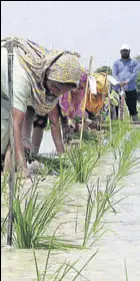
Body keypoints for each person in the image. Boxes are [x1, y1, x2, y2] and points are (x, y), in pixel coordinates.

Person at [1, 37, 81, 177]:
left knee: (13, 143)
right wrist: (24, 170)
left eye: (62, 92)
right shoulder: (23, 78)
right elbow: (16, 125)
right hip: (6, 78)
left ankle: (8, 175)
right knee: (4, 132)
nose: (57, 93)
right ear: (47, 74)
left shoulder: (45, 85)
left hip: (7, 89)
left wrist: (62, 158)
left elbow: (37, 110)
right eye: (56, 87)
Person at [112, 43, 140, 121]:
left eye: (126, 51)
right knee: (116, 107)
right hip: (118, 89)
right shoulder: (116, 63)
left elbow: (134, 74)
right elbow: (114, 74)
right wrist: (119, 82)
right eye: (123, 51)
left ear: (129, 51)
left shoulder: (134, 62)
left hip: (130, 89)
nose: (125, 52)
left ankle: (136, 125)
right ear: (120, 52)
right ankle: (116, 124)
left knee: (133, 109)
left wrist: (127, 81)